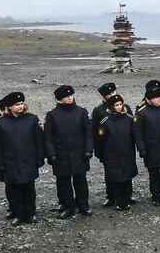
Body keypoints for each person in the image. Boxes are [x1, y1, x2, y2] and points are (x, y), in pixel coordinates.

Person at [0, 92, 45, 224]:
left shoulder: (32, 119)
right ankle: (18, 214)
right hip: (10, 162)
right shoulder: (0, 123)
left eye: (22, 103)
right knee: (15, 189)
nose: (20, 106)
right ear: (9, 107)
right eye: (17, 104)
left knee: (29, 189)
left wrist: (40, 158)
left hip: (28, 160)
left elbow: (39, 140)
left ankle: (30, 213)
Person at [44, 85, 94, 219]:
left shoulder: (82, 112)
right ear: (59, 99)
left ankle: (83, 206)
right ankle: (68, 207)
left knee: (81, 182)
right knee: (63, 183)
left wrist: (88, 149)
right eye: (66, 96)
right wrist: (51, 154)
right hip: (61, 155)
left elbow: (88, 133)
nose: (70, 98)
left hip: (79, 154)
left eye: (71, 95)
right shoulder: (52, 116)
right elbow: (48, 137)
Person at [93, 95, 138, 210]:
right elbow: (100, 140)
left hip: (127, 152)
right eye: (116, 105)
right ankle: (119, 201)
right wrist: (101, 153)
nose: (119, 107)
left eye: (120, 104)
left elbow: (135, 135)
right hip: (112, 155)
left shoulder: (129, 119)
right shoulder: (105, 122)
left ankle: (127, 200)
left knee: (127, 178)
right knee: (116, 179)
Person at [90, 82, 121, 207]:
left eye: (113, 92)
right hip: (107, 148)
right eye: (109, 94)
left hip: (123, 146)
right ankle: (111, 196)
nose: (112, 95)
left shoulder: (124, 107)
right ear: (103, 96)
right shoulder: (98, 111)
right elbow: (95, 132)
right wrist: (98, 150)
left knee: (126, 170)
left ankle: (126, 195)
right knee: (110, 173)